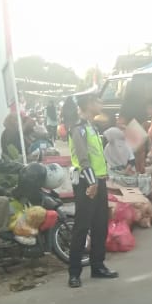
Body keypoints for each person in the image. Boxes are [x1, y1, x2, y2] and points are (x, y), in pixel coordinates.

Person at [67, 90, 119, 288]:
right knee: (82, 227)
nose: (101, 103)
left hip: (98, 181)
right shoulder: (78, 128)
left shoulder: (92, 127)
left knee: (100, 225)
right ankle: (74, 272)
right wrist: (92, 183)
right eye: (97, 100)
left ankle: (98, 266)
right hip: (86, 183)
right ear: (88, 103)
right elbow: (82, 158)